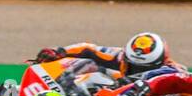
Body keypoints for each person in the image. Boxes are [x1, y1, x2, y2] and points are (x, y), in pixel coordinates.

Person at [33, 32, 175, 78]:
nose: (136, 72)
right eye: (132, 66)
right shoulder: (119, 56)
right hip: (120, 94)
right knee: (91, 66)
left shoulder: (174, 74)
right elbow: (88, 49)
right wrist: (59, 52)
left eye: (142, 69)